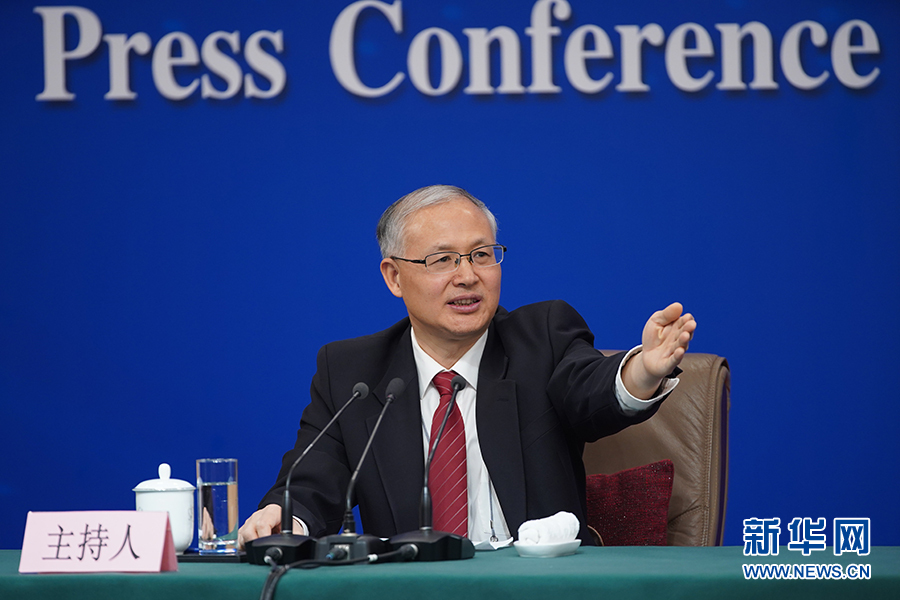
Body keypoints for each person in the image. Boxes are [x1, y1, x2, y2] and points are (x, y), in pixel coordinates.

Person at [238, 184, 695, 547]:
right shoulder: (352, 373)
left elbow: (590, 391)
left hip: (537, 588)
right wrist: (286, 517)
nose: (467, 276)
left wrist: (642, 371)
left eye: (481, 255)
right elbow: (313, 480)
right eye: (443, 260)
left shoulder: (542, 338)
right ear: (394, 276)